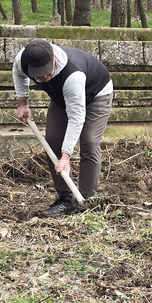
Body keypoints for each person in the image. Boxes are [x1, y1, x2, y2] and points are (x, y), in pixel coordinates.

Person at [13, 39, 114, 216]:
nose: (43, 78)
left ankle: (86, 200)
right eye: (38, 75)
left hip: (96, 94)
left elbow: (76, 117)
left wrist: (66, 155)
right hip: (62, 97)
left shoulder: (73, 74)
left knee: (89, 141)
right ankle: (67, 199)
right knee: (52, 141)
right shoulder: (22, 60)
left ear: (53, 58)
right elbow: (18, 74)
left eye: (46, 72)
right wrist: (22, 102)